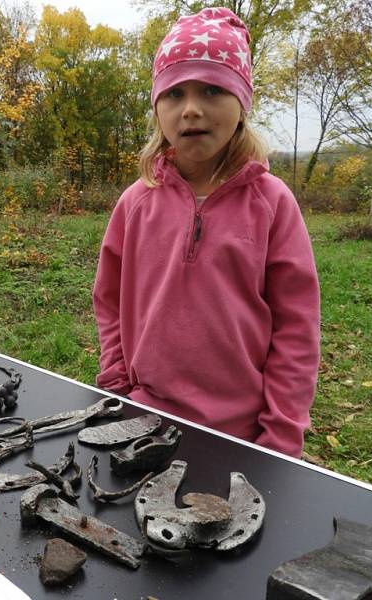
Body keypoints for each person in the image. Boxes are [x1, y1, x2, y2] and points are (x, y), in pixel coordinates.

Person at [93, 7, 320, 458]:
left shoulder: (272, 203)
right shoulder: (136, 202)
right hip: (142, 415)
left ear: (242, 104)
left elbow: (297, 330)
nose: (192, 108)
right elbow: (109, 300)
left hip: (243, 433)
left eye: (212, 89)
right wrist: (118, 384)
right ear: (158, 108)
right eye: (175, 93)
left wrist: (280, 436)